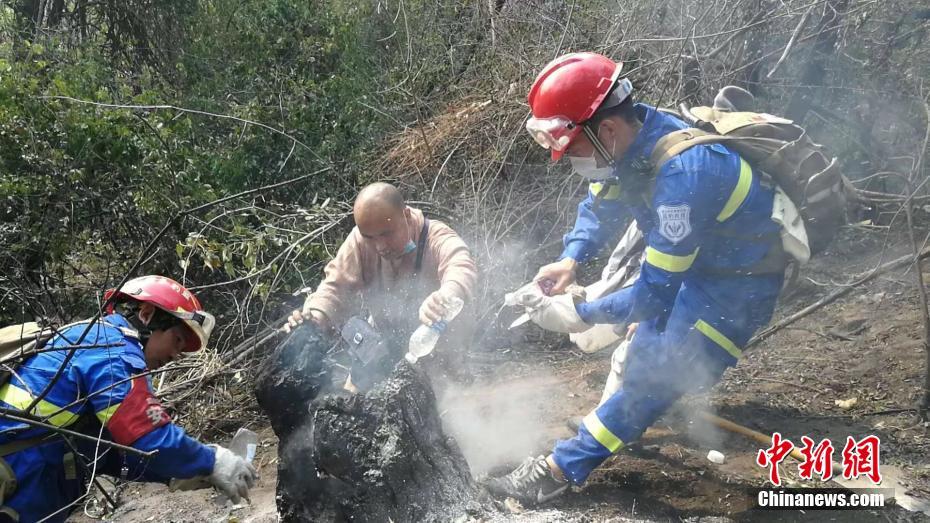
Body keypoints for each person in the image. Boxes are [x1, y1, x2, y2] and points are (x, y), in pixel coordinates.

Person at [486, 52, 796, 504]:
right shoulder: (632, 141)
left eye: (572, 148)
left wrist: (582, 312)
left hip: (736, 287)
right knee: (643, 358)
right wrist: (571, 259)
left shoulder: (683, 176)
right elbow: (600, 204)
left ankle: (556, 472)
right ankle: (619, 423)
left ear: (606, 129)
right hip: (697, 268)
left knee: (655, 380)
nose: (567, 159)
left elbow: (652, 293)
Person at [0, 275, 257, 522]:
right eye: (177, 340)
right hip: (17, 473)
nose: (175, 355)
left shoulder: (98, 344)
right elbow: (146, 433)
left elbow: (111, 454)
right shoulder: (110, 348)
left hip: (28, 480)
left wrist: (176, 473)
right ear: (146, 315)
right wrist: (212, 461)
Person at [287, 182, 478, 380]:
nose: (380, 246)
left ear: (406, 216)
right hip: (386, 355)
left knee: (450, 393)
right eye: (370, 237)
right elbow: (335, 286)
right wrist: (313, 319)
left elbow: (460, 264)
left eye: (387, 234)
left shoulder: (435, 236)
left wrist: (444, 298)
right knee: (355, 392)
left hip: (441, 360)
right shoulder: (359, 240)